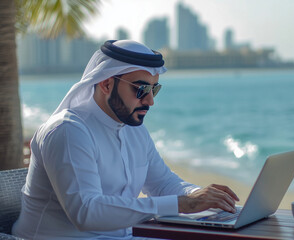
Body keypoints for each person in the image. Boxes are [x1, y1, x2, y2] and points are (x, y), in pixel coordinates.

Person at [12, 40, 239, 239]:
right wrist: (184, 204)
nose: (150, 101)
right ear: (106, 83)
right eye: (141, 89)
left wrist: (206, 198)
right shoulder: (68, 131)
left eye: (154, 89)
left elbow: (162, 183)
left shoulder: (134, 129)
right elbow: (86, 212)